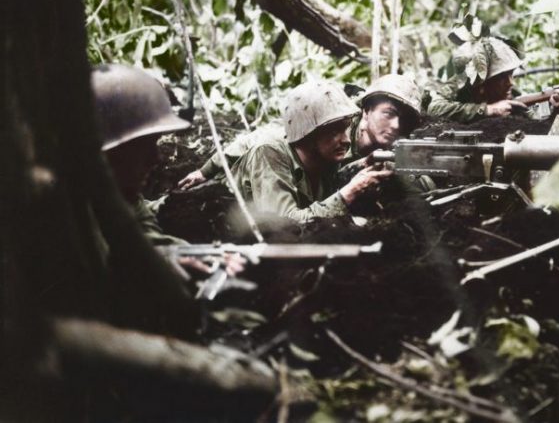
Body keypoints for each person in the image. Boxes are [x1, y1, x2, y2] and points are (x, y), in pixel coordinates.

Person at [92, 63, 244, 275]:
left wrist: (190, 252)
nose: (155, 158)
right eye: (142, 146)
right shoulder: (61, 209)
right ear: (107, 150)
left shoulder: (122, 194)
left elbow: (145, 234)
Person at [178, 74, 423, 189]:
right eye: (388, 114)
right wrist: (204, 171)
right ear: (367, 110)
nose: (396, 126)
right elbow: (264, 138)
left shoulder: (396, 144)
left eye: (405, 120)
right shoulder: (333, 122)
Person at [231, 80, 392, 222]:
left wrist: (363, 165)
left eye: (346, 129)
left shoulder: (323, 155)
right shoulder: (269, 153)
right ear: (307, 133)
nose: (346, 140)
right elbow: (283, 228)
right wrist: (350, 192)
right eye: (334, 132)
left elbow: (332, 184)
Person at [425, 19, 559, 122]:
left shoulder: (510, 95)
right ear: (482, 82)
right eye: (502, 77)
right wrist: (489, 110)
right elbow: (435, 108)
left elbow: (534, 121)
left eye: (511, 74)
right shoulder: (461, 84)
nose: (510, 83)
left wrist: (555, 110)